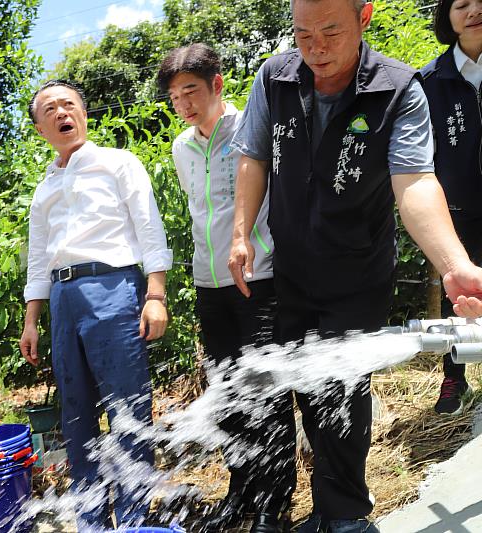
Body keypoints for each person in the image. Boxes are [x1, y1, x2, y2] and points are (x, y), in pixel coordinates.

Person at [228, 0, 482, 531]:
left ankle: (343, 514)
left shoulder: (397, 88)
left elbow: (413, 182)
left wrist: (454, 263)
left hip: (357, 268)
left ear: (364, 18)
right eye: (302, 35)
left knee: (342, 388)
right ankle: (302, 507)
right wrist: (241, 231)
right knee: (294, 385)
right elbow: (252, 154)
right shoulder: (274, 77)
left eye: (330, 32)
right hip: (288, 265)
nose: (315, 49)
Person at [19, 80, 172, 531]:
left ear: (85, 113)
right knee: (76, 414)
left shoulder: (117, 163)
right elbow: (38, 257)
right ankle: (91, 521)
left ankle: (132, 519)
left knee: (127, 409)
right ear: (40, 127)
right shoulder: (44, 187)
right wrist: (32, 319)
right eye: (50, 109)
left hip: (113, 288)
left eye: (69, 104)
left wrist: (156, 294)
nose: (62, 112)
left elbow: (149, 226)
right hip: (63, 300)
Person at [157, 43, 295, 533]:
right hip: (207, 283)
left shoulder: (250, 128)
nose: (185, 104)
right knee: (227, 394)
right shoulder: (180, 147)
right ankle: (241, 487)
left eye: (191, 90)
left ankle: (273, 502)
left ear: (217, 84)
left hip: (258, 279)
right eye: (175, 97)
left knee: (266, 392)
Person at [421, 0, 482, 415]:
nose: (474, 10)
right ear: (448, 17)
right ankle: (453, 377)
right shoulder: (430, 79)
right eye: (462, 4)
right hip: (455, 209)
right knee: (456, 294)